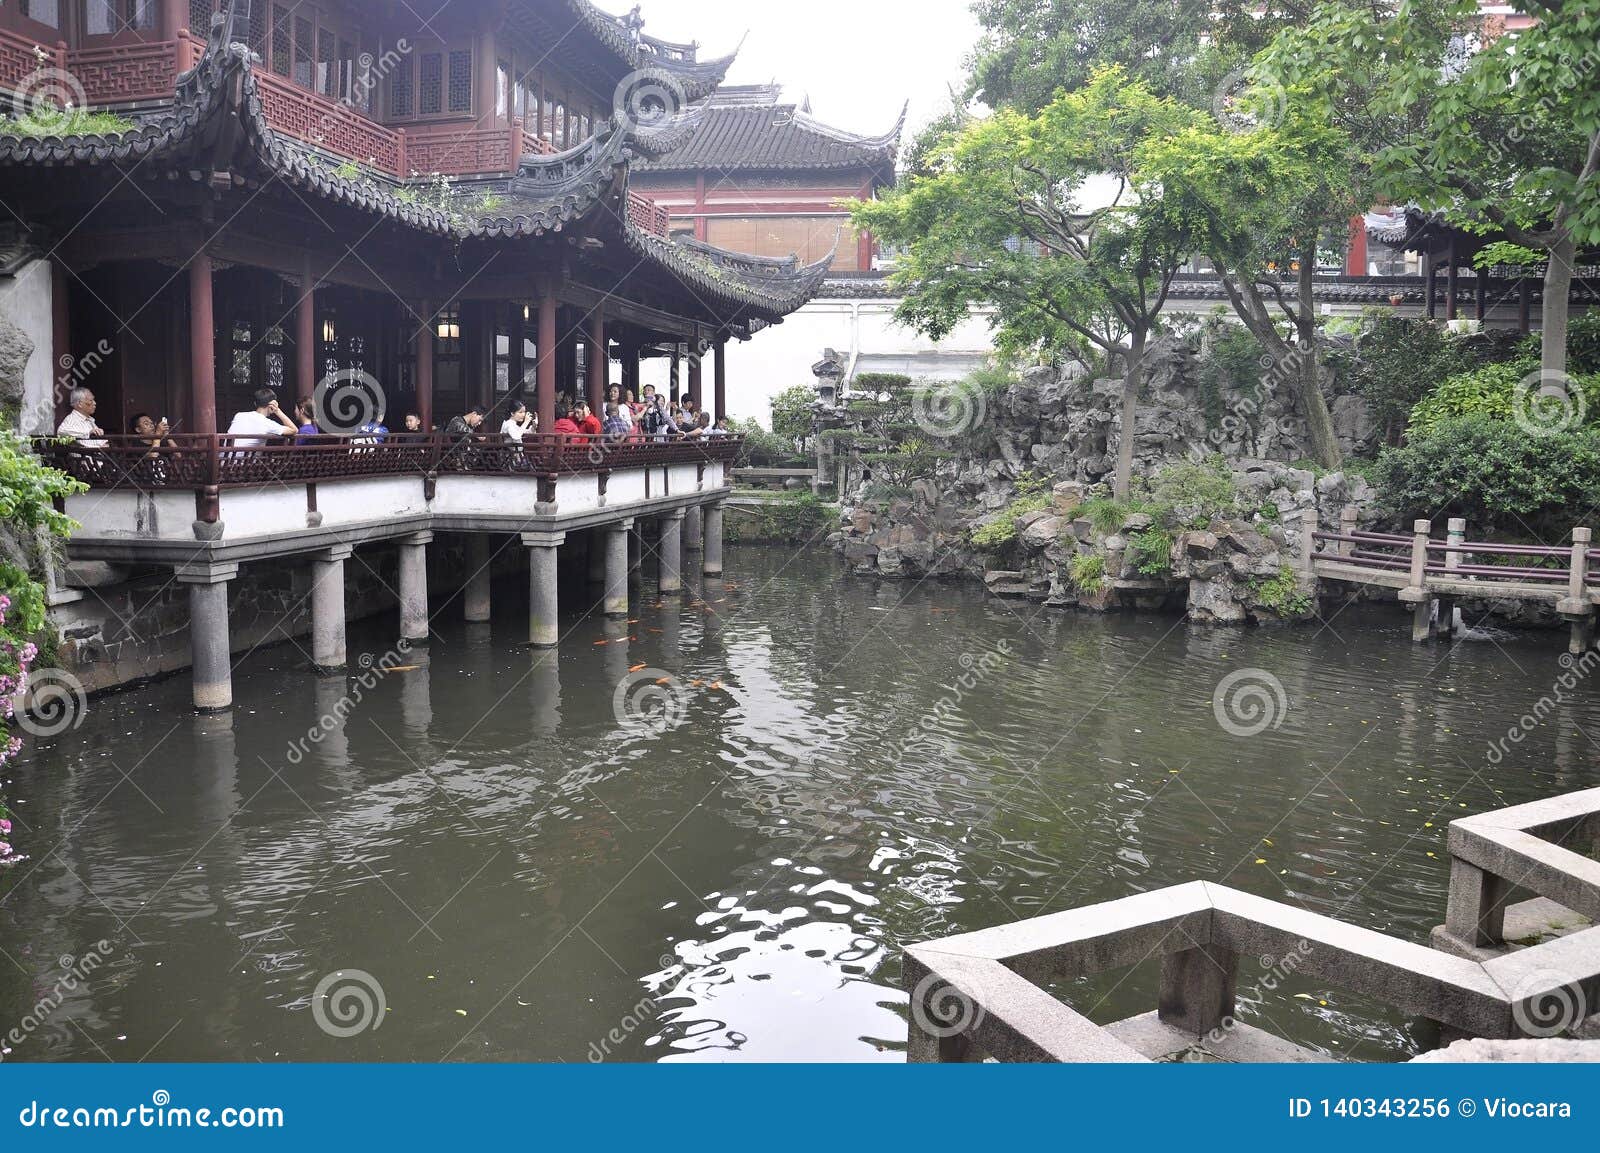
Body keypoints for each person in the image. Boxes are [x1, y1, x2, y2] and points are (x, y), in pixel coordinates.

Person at [227, 389, 300, 447]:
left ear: (255, 403)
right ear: (273, 404)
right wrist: (278, 411)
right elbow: (294, 430)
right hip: (246, 464)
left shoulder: (239, 415)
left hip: (224, 462)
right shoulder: (266, 423)